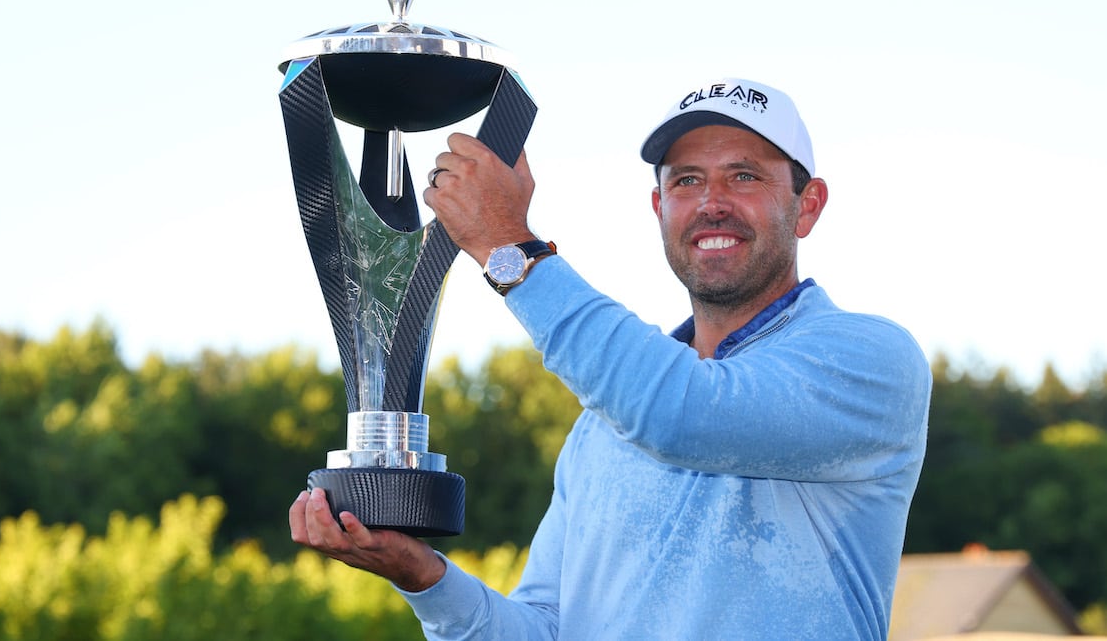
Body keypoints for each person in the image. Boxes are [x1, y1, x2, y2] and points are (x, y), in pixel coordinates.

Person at [289, 78, 931, 640]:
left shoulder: (871, 361)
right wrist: (422, 576)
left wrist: (511, 248)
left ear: (808, 205)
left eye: (745, 175)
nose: (712, 201)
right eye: (686, 181)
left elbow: (686, 413)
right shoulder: (604, 425)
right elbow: (540, 631)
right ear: (660, 208)